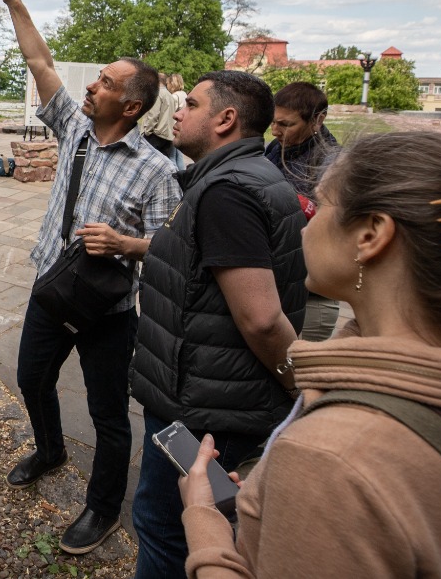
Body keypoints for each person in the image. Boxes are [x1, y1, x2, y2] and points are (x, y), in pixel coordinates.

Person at [179, 132, 441, 578]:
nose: (307, 226)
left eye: (322, 205)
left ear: (370, 235)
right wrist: (288, 503)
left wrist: (204, 521)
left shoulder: (332, 456)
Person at [0, 0, 182, 555]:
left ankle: (101, 509)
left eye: (103, 82)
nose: (90, 86)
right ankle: (49, 450)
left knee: (107, 413)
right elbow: (39, 61)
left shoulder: (158, 170)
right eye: (94, 78)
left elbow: (169, 252)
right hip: (53, 286)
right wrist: (16, 2)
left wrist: (128, 244)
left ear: (130, 105)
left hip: (109, 309)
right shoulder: (73, 132)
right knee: (31, 377)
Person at [130, 70, 308, 579]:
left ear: (226, 119)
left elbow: (262, 318)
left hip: (206, 406)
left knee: (169, 524)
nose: (177, 111)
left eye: (190, 103)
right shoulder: (242, 176)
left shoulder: (226, 191)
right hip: (214, 392)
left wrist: (300, 390)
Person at [263, 82, 341, 341]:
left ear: (318, 120)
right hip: (276, 286)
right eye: (273, 122)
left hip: (311, 299)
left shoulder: (333, 162)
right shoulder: (275, 149)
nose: (275, 131)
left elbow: (336, 229)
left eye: (286, 125)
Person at [139, 75, 178, 158]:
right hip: (168, 135)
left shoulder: (158, 94)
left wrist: (147, 131)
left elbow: (153, 115)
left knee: (148, 161)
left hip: (156, 135)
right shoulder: (169, 95)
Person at [165, 74, 187, 172]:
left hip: (173, 127)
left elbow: (170, 113)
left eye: (168, 83)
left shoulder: (174, 97)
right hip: (183, 126)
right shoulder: (184, 94)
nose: (167, 85)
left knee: (171, 156)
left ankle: (174, 176)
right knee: (179, 155)